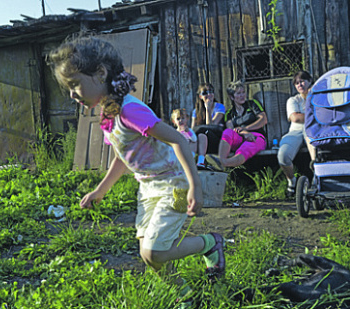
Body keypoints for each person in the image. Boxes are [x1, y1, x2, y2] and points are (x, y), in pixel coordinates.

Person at [47, 35, 225, 301]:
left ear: (100, 73)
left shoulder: (130, 111)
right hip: (148, 186)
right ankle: (185, 297)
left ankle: (210, 244)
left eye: (75, 85)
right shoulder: (108, 113)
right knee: (148, 253)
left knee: (154, 251)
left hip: (173, 182)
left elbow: (178, 140)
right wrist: (100, 191)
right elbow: (123, 156)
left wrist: (195, 186)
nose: (72, 94)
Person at [206, 80, 267, 170]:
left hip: (256, 136)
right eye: (238, 93)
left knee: (247, 146)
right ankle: (221, 158)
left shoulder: (252, 104)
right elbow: (231, 129)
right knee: (227, 132)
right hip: (240, 137)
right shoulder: (229, 113)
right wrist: (244, 133)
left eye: (243, 92)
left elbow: (263, 120)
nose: (242, 96)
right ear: (232, 97)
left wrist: (246, 128)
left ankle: (223, 163)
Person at [277, 70, 315, 194]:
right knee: (283, 156)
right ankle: (292, 181)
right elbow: (295, 118)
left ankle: (317, 180)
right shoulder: (293, 100)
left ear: (310, 81)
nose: (300, 85)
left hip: (313, 131)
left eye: (303, 81)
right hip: (296, 131)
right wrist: (315, 115)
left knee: (318, 152)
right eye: (297, 83)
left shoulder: (317, 97)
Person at [191, 83, 226, 169]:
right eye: (205, 93)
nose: (209, 94)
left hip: (216, 141)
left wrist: (208, 109)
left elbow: (210, 126)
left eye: (211, 92)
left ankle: (198, 161)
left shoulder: (219, 107)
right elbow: (192, 130)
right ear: (200, 96)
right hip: (201, 142)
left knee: (203, 131)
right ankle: (197, 161)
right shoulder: (196, 111)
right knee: (199, 134)